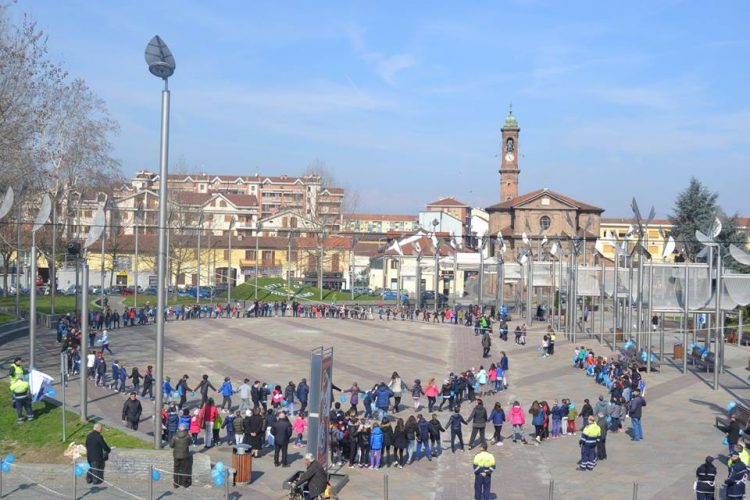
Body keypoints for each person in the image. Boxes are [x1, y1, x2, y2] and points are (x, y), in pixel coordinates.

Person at [171, 423, 193, 489]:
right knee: (185, 469)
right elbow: (190, 443)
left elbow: (171, 445)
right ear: (185, 429)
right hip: (185, 455)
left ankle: (175, 484)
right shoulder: (188, 436)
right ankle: (184, 483)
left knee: (176, 469)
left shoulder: (174, 436)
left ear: (179, 429)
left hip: (176, 455)